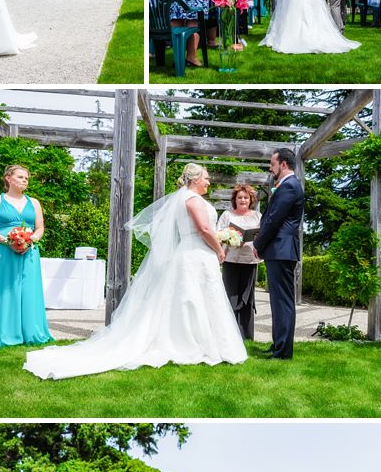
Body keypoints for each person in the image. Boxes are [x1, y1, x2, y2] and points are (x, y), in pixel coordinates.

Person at [24, 163, 246, 381]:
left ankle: (198, 340)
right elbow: (204, 229)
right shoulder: (193, 199)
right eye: (206, 177)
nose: (208, 181)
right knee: (196, 298)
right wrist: (219, 249)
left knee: (191, 298)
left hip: (191, 252)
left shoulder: (182, 198)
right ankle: (194, 342)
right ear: (196, 179)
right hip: (196, 253)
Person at [0, 164, 51, 351]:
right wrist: (8, 241)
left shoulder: (34, 202)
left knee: (29, 290)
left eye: (26, 178)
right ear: (8, 178)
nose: (24, 181)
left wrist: (31, 240)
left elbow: (40, 227)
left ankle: (30, 331)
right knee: (3, 290)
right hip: (2, 252)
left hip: (29, 251)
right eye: (20, 177)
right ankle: (3, 331)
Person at [253, 148, 305, 361]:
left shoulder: (290, 187)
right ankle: (278, 345)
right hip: (279, 250)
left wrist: (258, 243)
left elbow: (274, 219)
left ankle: (283, 351)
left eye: (272, 164)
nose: (270, 167)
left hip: (281, 250)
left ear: (283, 164)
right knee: (277, 300)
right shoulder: (286, 186)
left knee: (282, 301)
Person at [215, 184, 262, 340]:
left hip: (250, 261)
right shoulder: (227, 215)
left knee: (247, 298)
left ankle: (247, 336)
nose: (243, 200)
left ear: (251, 200)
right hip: (231, 260)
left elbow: (263, 235)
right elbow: (218, 234)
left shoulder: (257, 216)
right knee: (230, 296)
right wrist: (231, 239)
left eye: (246, 197)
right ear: (234, 200)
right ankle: (229, 335)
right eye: (240, 197)